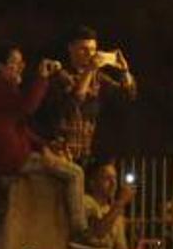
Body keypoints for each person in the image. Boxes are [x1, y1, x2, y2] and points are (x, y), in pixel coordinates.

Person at [0, 45, 87, 238]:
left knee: (65, 164)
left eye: (21, 63)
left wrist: (44, 146)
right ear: (0, 66)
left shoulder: (2, 87)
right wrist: (42, 78)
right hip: (7, 158)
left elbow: (20, 126)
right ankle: (80, 231)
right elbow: (27, 108)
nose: (19, 67)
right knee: (75, 173)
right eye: (14, 62)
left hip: (10, 154)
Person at [37, 25, 138, 163]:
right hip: (61, 151)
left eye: (93, 50)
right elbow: (74, 101)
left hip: (86, 151)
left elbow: (127, 95)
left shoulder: (98, 77)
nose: (89, 54)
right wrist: (90, 70)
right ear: (70, 48)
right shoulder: (59, 74)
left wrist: (124, 71)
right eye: (83, 49)